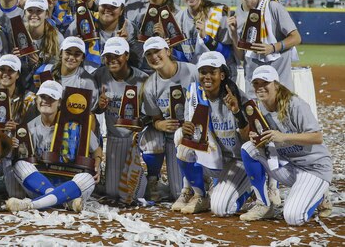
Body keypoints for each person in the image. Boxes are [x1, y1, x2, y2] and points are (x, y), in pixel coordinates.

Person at [240, 66, 332, 224]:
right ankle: (263, 204)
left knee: (293, 217)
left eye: (265, 82)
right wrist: (257, 138)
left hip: (314, 167)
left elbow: (317, 137)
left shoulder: (295, 104)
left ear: (276, 84)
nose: (260, 87)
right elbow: (265, 140)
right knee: (249, 148)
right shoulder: (259, 107)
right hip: (289, 165)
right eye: (256, 83)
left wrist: (283, 137)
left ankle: (320, 193)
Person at [172, 51, 251, 215]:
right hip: (214, 156)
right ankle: (200, 194)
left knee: (221, 208)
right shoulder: (194, 94)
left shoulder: (238, 97)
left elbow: (248, 139)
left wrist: (237, 112)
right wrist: (187, 129)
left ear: (222, 75)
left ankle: (249, 187)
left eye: (212, 72)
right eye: (203, 72)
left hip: (237, 161)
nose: (207, 76)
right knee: (180, 137)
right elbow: (193, 134)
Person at [5, 80, 100, 213]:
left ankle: (31, 205)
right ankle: (63, 200)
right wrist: (16, 146)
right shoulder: (29, 127)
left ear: (60, 102)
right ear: (37, 99)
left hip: (71, 185)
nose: (45, 101)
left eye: (51, 98)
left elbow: (97, 151)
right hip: (40, 187)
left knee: (88, 178)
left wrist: (98, 165)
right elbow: (24, 157)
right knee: (19, 164)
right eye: (42, 97)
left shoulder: (74, 124)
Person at [227, 0, 301, 98]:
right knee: (255, 117)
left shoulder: (272, 6)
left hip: (279, 81)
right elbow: (241, 57)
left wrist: (272, 48)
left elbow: (296, 38)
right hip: (253, 83)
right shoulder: (236, 14)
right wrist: (233, 34)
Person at [140, 37, 199, 201]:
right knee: (177, 193)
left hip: (199, 133)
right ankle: (153, 178)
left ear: (168, 51)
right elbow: (155, 119)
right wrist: (160, 124)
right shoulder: (150, 85)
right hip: (173, 137)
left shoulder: (192, 71)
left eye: (157, 51)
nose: (154, 57)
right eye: (149, 54)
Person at [93, 37, 148, 200]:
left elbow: (151, 114)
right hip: (114, 137)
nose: (112, 60)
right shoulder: (98, 74)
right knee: (112, 193)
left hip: (136, 137)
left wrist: (140, 123)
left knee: (133, 193)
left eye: (116, 55)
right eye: (108, 56)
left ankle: (151, 178)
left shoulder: (143, 79)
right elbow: (91, 108)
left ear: (127, 56)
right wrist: (99, 106)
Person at [175, 0, 236, 79]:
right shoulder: (178, 18)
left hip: (220, 74)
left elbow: (227, 53)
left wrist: (206, 38)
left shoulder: (217, 13)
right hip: (196, 75)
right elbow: (181, 55)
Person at [66, 0, 137, 73]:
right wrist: (74, 46)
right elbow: (63, 55)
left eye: (113, 6)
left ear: (121, 10)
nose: (107, 9)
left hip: (113, 78)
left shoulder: (129, 28)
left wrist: (125, 46)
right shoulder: (82, 21)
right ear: (98, 6)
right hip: (84, 77)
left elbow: (136, 64)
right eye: (104, 5)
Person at [125, 0, 178, 73]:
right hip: (135, 68)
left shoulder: (176, 13)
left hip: (162, 69)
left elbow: (182, 49)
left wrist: (166, 39)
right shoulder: (132, 6)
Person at [14, 0, 63, 91]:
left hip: (47, 89)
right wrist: (14, 58)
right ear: (24, 13)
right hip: (20, 87)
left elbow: (60, 72)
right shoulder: (17, 33)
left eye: (39, 11)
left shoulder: (57, 38)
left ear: (47, 14)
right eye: (30, 10)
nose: (34, 14)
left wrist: (39, 65)